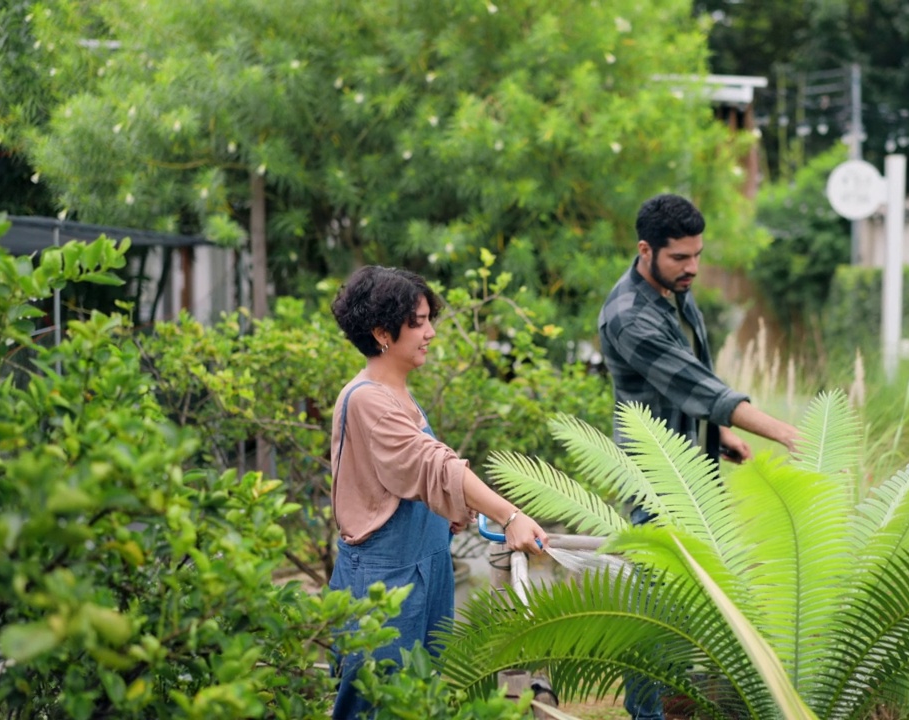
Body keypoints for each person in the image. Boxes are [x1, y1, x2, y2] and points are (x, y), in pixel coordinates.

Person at [597, 193, 800, 720]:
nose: (693, 268)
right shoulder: (629, 316)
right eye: (680, 258)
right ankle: (647, 715)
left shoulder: (674, 293)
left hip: (690, 469)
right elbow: (703, 387)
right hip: (656, 482)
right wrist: (782, 431)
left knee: (690, 607)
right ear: (646, 250)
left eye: (698, 255)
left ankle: (678, 707)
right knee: (658, 615)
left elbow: (691, 382)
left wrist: (717, 434)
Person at [328, 265, 548, 720]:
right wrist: (510, 515)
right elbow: (433, 465)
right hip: (385, 579)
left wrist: (450, 512)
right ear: (382, 332)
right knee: (377, 704)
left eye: (430, 319)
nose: (430, 333)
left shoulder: (399, 395)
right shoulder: (367, 398)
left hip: (425, 566)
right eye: (419, 322)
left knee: (421, 699)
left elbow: (410, 478)